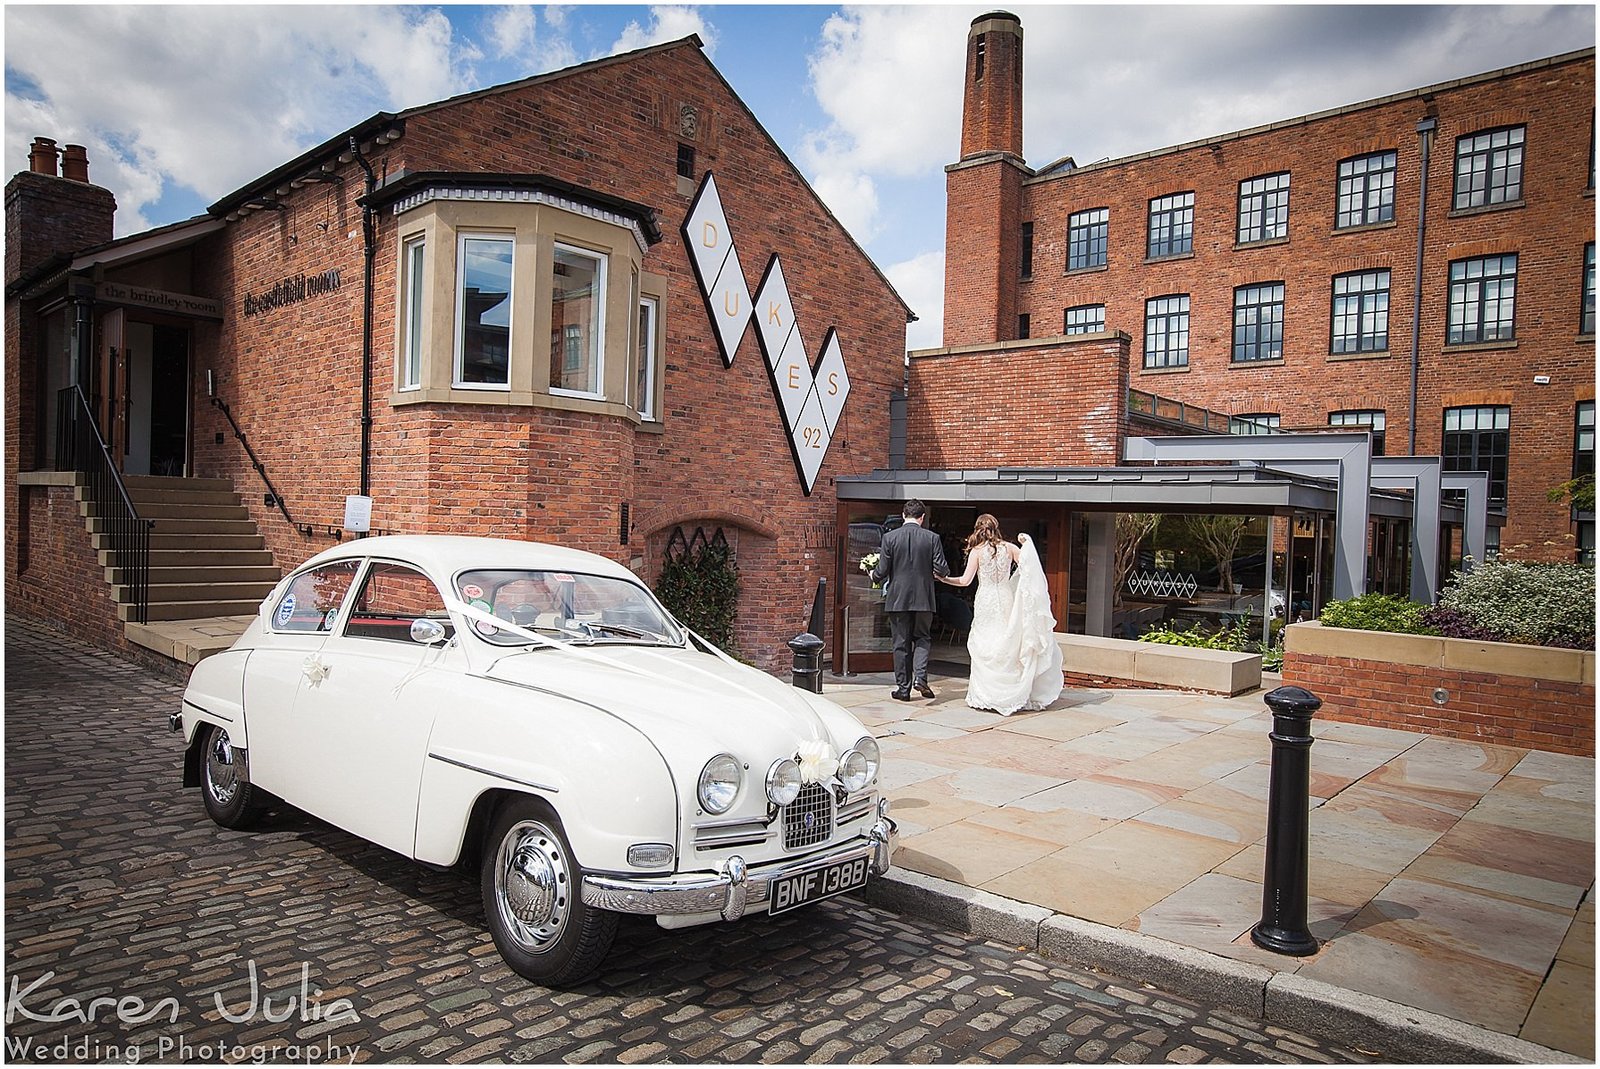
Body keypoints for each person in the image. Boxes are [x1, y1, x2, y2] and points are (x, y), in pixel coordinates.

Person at [939, 514, 1063, 715]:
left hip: (986, 599)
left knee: (984, 643)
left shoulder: (977, 552)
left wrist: (943, 579)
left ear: (978, 529)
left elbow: (964, 581)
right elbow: (1030, 568)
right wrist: (1027, 545)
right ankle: (1010, 691)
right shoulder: (1010, 548)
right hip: (1005, 597)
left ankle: (987, 694)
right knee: (1008, 641)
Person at [870, 499, 950, 701]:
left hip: (898, 598)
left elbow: (882, 570)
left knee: (900, 644)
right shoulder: (932, 538)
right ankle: (920, 677)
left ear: (903, 515)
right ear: (922, 518)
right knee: (922, 637)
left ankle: (903, 690)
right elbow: (942, 569)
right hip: (924, 598)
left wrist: (873, 576)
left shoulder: (890, 537)